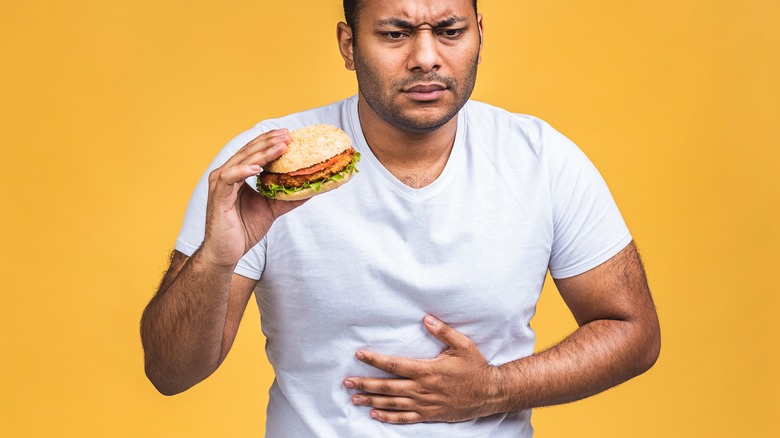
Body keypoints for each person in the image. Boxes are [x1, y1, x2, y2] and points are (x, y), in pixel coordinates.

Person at [140, 0, 661, 436]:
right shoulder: (266, 163)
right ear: (349, 44)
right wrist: (217, 257)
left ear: (480, 33)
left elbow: (632, 332)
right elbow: (170, 371)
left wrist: (493, 390)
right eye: (395, 33)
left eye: (451, 31)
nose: (426, 58)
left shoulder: (541, 158)